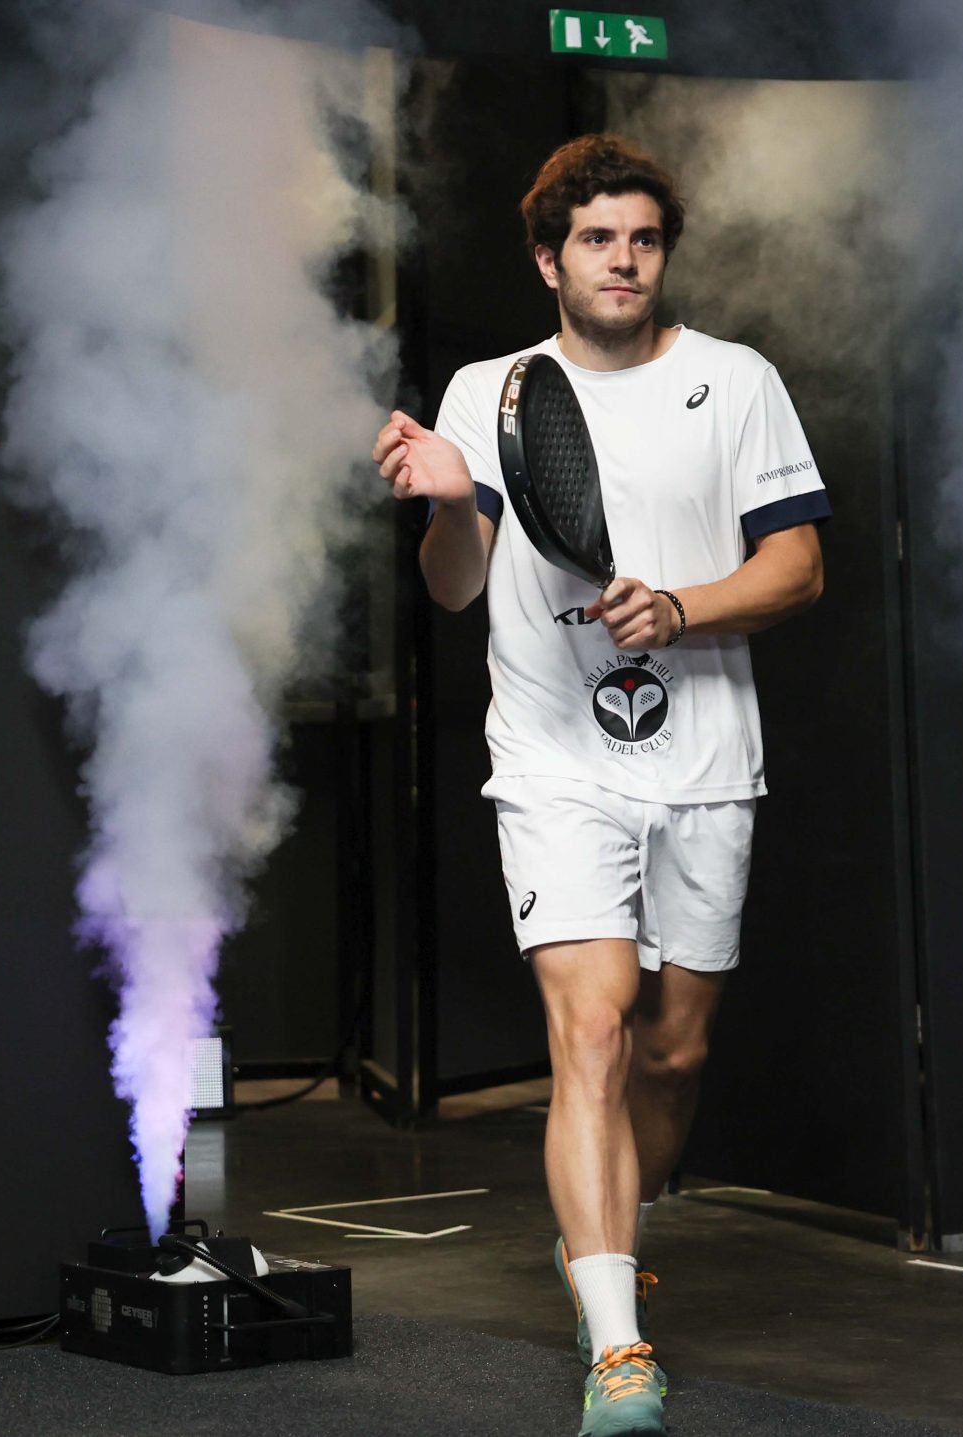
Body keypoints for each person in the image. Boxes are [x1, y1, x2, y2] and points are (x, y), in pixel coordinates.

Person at [371, 134, 828, 1437]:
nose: (622, 260)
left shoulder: (735, 382)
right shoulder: (489, 393)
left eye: (642, 239)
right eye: (595, 240)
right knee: (592, 1031)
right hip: (554, 761)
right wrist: (449, 503)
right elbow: (455, 586)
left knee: (673, 1056)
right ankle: (619, 1345)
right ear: (547, 259)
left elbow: (798, 568)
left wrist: (680, 607)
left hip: (705, 764)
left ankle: (606, 1242)